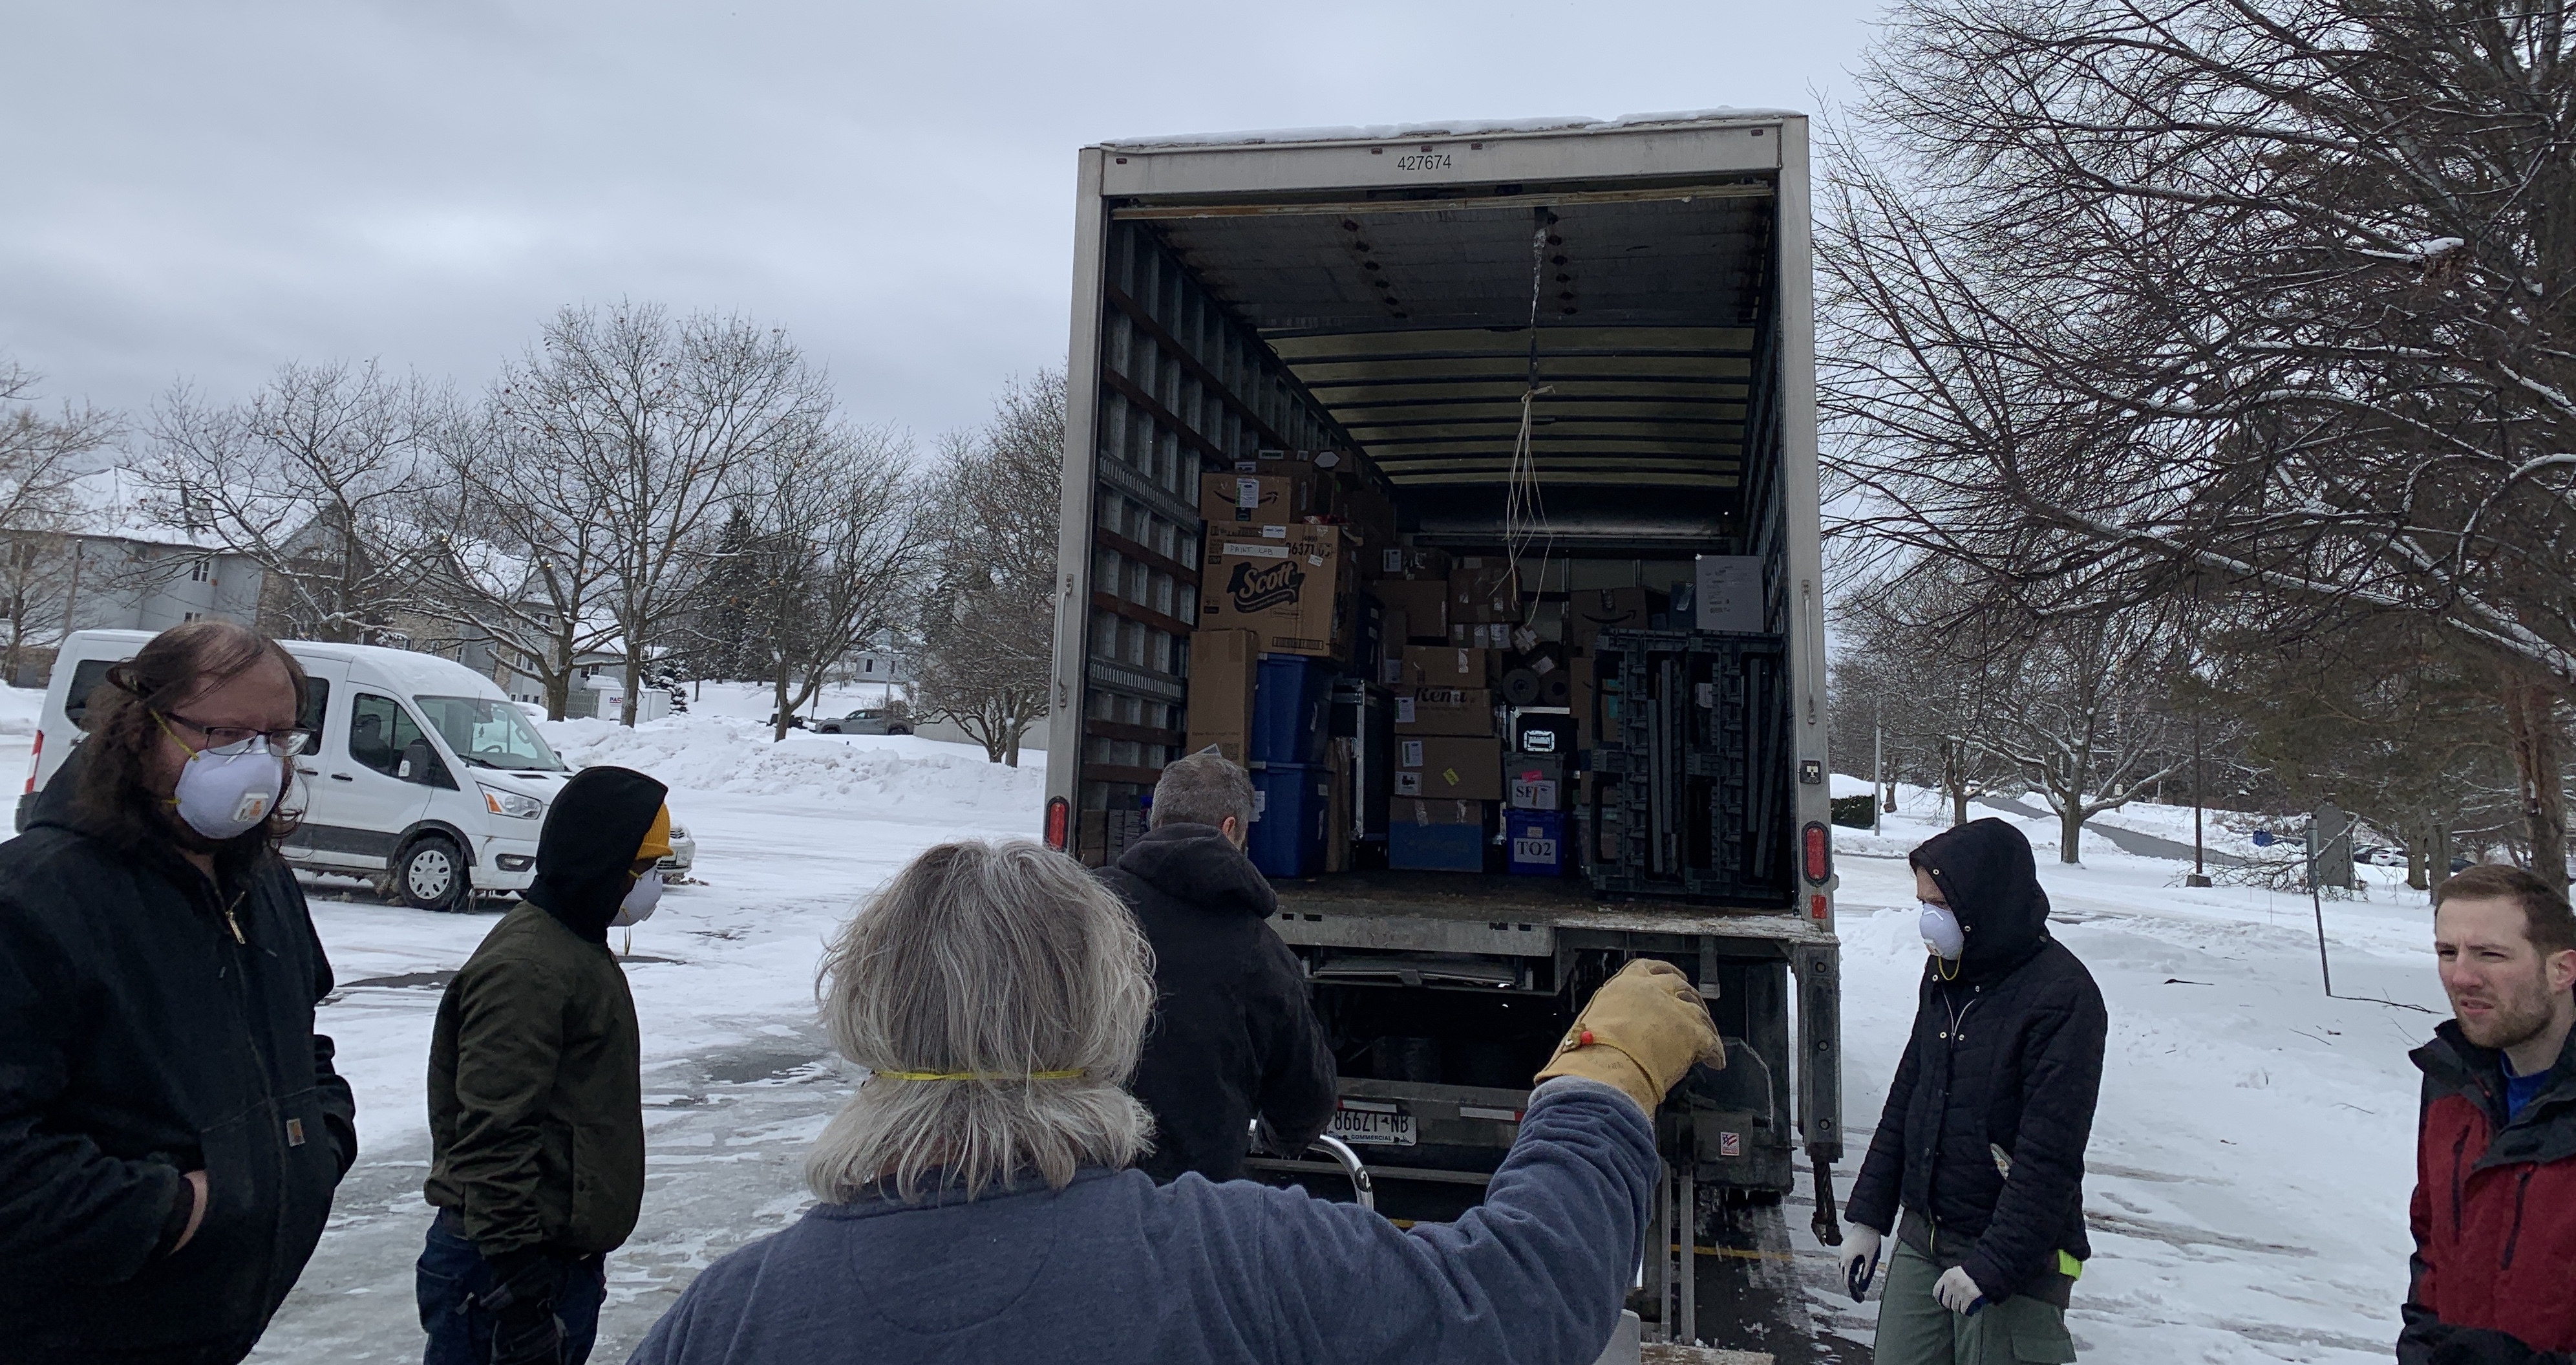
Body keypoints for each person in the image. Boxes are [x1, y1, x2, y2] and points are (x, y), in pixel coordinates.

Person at [626, 838, 1722, 1365]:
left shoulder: (725, 1321)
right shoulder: (1232, 1261)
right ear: (1112, 1015)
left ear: (863, 1007)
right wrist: (1600, 1079)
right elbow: (1523, 1303)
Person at [0, 620, 357, 1364]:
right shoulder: (35, 896)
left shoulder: (260, 883)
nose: (257, 763)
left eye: (278, 737)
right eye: (224, 732)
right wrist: (174, 1211)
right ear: (139, 726)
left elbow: (302, 1042)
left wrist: (318, 1143)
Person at [418, 766, 672, 1365]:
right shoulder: (529, 969)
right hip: (504, 1270)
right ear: (602, 861)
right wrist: (519, 1286)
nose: (654, 886)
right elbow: (490, 1135)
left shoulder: (575, 944)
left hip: (554, 1261)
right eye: (645, 869)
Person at [1838, 818, 2107, 1365]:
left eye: (1938, 902)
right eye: (1921, 901)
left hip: (2012, 1256)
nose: (1927, 918)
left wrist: (1992, 1265)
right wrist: (1869, 1215)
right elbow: (1909, 1092)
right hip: (1926, 1234)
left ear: (1982, 900)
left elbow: (2048, 1158)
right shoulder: (1946, 972)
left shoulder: (2062, 997)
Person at [1102, 749, 1337, 1182]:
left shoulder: (1082, 910)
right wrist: (1277, 1137)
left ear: (1156, 817)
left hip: (1079, 1188)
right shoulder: (1259, 953)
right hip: (1187, 1208)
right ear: (1232, 829)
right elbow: (1306, 1099)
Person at [2399, 864, 2576, 1365]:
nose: (2461, 976)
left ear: (2561, 969)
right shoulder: (2452, 1079)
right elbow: (2433, 1249)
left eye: (2489, 954)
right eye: (2446, 952)